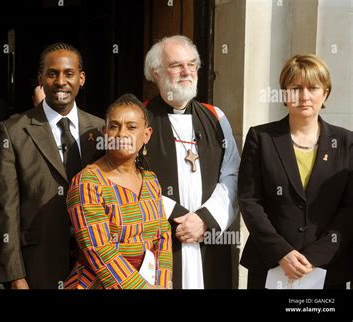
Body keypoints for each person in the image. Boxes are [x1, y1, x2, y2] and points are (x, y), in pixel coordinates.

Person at [0, 43, 104, 289]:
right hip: (37, 266)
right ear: (41, 78)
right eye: (52, 73)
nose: (61, 81)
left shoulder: (100, 130)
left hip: (95, 267)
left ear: (81, 78)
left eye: (69, 73)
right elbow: (5, 209)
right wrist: (15, 275)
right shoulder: (14, 131)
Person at [238, 54, 353, 289]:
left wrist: (315, 256)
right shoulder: (261, 138)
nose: (304, 96)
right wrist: (281, 252)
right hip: (269, 264)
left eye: (313, 88)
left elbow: (349, 208)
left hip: (328, 269)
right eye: (295, 88)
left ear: (325, 94)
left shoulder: (346, 142)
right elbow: (250, 201)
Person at [143, 35, 240, 289]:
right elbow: (131, 177)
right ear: (156, 73)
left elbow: (233, 173)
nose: (187, 71)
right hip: (161, 239)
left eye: (192, 64)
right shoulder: (139, 118)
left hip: (208, 238)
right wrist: (179, 217)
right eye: (176, 65)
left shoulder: (215, 117)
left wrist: (204, 219)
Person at [64, 94, 172, 289]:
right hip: (98, 283)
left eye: (131, 127)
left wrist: (162, 283)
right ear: (105, 133)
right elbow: (98, 248)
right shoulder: (88, 183)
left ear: (146, 135)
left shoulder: (150, 180)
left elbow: (163, 236)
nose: (122, 134)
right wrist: (142, 288)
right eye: (114, 126)